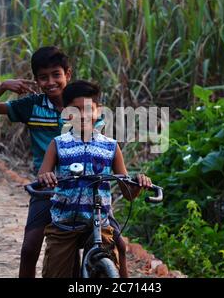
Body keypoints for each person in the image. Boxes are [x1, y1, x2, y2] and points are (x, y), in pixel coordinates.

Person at [0, 47, 129, 277]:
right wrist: (3, 86)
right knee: (30, 248)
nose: (50, 82)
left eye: (56, 75)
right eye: (43, 77)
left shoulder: (85, 104)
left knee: (117, 245)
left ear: (68, 74)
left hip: (86, 189)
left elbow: (101, 148)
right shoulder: (32, 105)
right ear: (36, 80)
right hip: (48, 188)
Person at [37, 80, 153, 278]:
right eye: (75, 109)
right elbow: (42, 177)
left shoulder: (110, 146)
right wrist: (46, 177)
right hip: (65, 222)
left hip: (99, 222)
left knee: (112, 263)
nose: (83, 115)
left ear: (99, 111)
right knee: (55, 272)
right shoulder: (58, 144)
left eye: (89, 109)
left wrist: (138, 183)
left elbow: (128, 192)